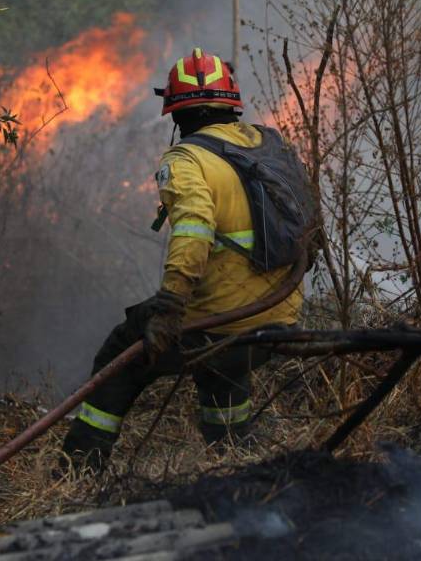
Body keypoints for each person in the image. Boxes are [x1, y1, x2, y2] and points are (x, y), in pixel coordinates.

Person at [58, 48, 307, 472]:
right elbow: (309, 219)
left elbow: (193, 233)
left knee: (120, 357)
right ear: (231, 105)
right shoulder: (270, 145)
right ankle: (233, 455)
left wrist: (171, 306)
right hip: (279, 319)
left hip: (220, 325)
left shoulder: (187, 160)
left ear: (176, 113)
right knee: (222, 367)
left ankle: (78, 467)